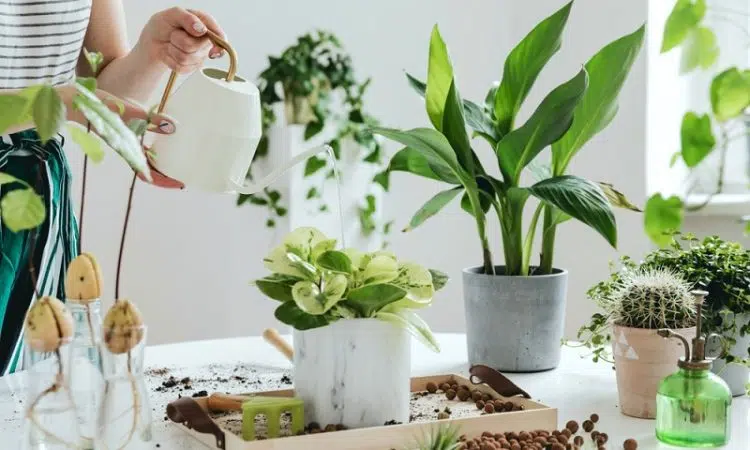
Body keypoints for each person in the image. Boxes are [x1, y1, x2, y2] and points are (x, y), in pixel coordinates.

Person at [0, 1, 226, 374]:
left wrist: (152, 52)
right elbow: (72, 100)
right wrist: (57, 102)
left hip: (34, 207)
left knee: (34, 400)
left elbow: (101, 85)